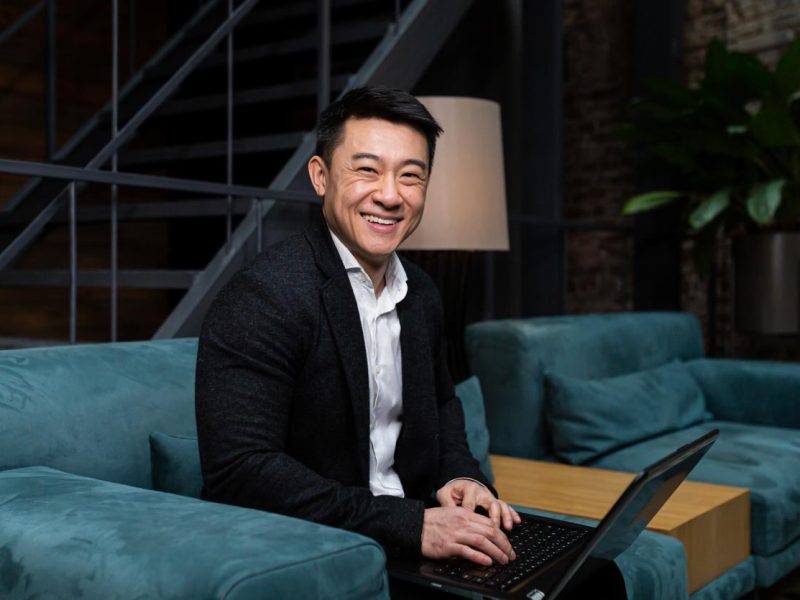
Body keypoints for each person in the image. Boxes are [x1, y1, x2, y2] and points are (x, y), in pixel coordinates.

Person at [195, 86, 522, 566]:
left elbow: (442, 404)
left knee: (585, 574)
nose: (389, 195)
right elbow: (239, 471)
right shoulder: (265, 296)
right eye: (367, 170)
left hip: (415, 529)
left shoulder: (422, 292)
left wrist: (462, 477)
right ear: (320, 176)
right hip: (317, 551)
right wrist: (411, 525)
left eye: (410, 176)